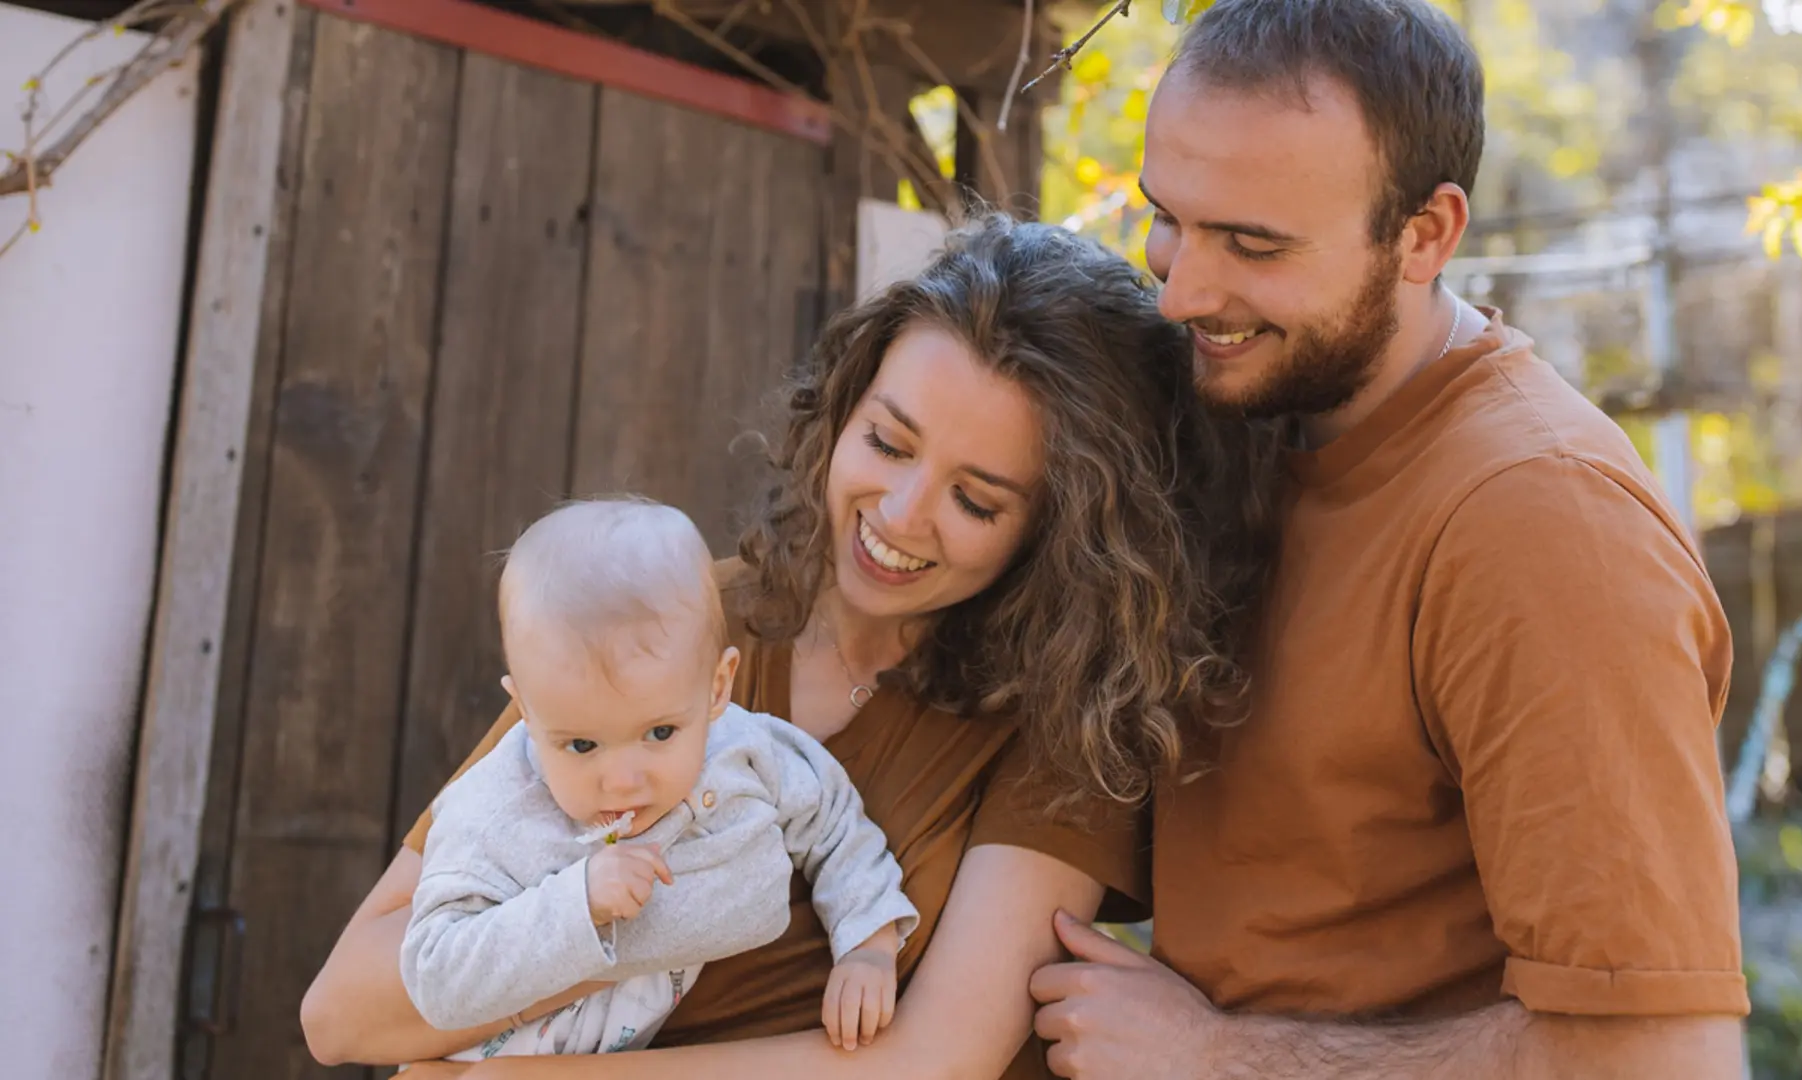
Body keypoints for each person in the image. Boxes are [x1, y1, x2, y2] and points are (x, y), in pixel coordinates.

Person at [299, 212, 1269, 1079]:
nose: (900, 515)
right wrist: (597, 921)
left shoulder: (1062, 725)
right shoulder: (668, 622)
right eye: (887, 443)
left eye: (977, 499)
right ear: (845, 410)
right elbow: (344, 1012)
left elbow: (936, 1057)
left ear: (1062, 528)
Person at [1026, 1, 1750, 1077]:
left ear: (1425, 236)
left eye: (1255, 245)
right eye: (1168, 216)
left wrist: (1222, 1058)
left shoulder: (1540, 523)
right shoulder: (1256, 412)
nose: (1180, 292)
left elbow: (1664, 1056)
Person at [400, 498, 917, 1060]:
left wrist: (868, 943)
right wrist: (577, 903)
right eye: (581, 745)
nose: (623, 781)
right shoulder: (491, 813)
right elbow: (434, 976)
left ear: (717, 686)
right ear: (524, 710)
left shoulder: (746, 752)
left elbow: (834, 823)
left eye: (661, 733)